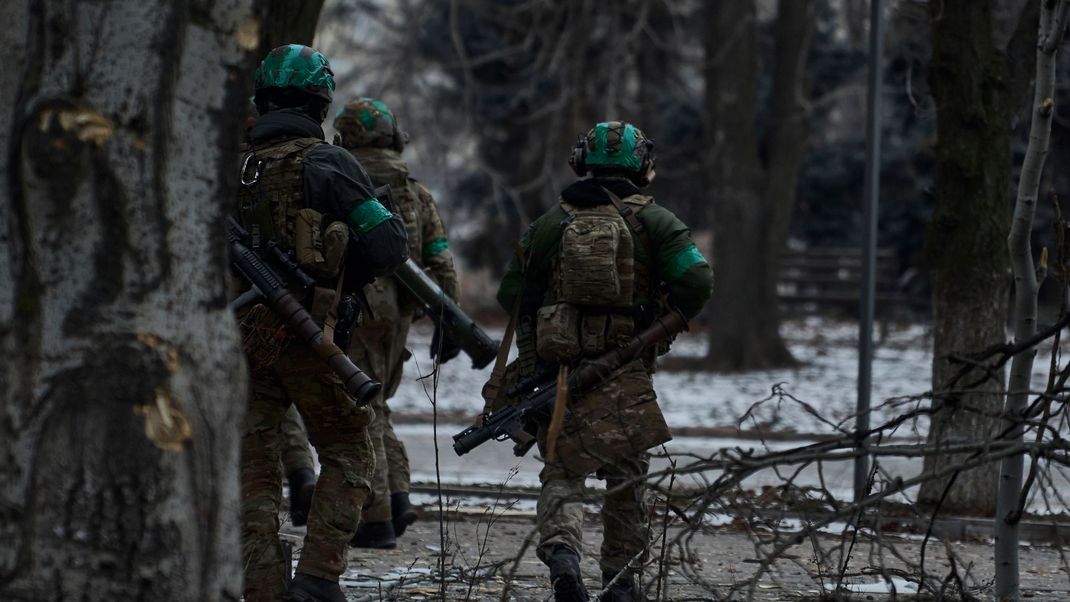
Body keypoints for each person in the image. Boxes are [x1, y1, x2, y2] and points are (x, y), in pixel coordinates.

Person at [491, 121, 712, 601]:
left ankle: (564, 554)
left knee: (563, 470)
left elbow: (512, 293)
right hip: (628, 368)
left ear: (581, 163)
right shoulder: (657, 222)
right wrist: (661, 322)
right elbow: (697, 281)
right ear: (643, 167)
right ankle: (621, 580)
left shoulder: (552, 223)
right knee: (627, 475)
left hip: (561, 371)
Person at [235, 44, 408, 602]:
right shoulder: (330, 163)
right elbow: (387, 246)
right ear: (321, 101)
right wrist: (335, 280)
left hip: (240, 342)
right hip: (314, 339)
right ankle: (316, 578)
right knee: (351, 452)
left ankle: (260, 584)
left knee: (252, 470)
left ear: (261, 100)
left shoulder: (233, 168)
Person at [281, 97, 460, 549]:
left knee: (361, 412)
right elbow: (440, 258)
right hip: (400, 311)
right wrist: (448, 319)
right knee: (378, 406)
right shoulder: (414, 189)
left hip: (351, 301)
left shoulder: (334, 171)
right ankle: (398, 499)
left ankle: (375, 518)